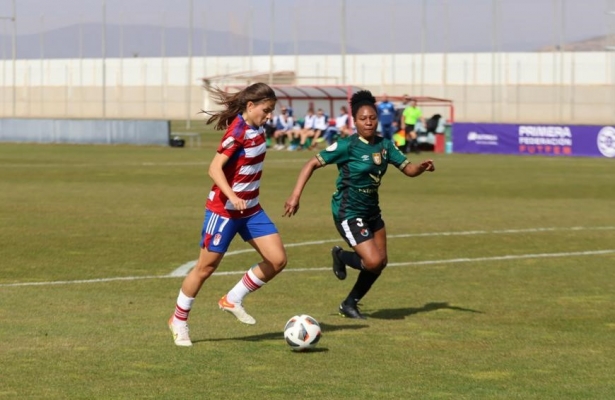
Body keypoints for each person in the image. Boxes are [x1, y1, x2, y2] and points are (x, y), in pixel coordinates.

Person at [283, 90, 435, 319]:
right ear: (355, 121)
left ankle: (349, 303)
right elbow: (311, 163)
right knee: (372, 261)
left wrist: (421, 168)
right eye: (363, 119)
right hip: (348, 211)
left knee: (380, 263)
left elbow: (409, 170)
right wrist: (295, 195)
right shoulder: (347, 146)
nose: (369, 122)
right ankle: (341, 256)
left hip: (372, 211)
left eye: (372, 118)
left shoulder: (386, 145)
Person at [168, 82, 288, 346]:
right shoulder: (237, 132)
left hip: (251, 209)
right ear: (250, 106)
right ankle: (178, 320)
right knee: (205, 268)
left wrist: (243, 199)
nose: (269, 116)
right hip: (224, 211)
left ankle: (232, 298)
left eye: (271, 111)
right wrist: (233, 196)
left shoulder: (257, 128)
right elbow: (214, 168)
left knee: (277, 260)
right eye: (266, 110)